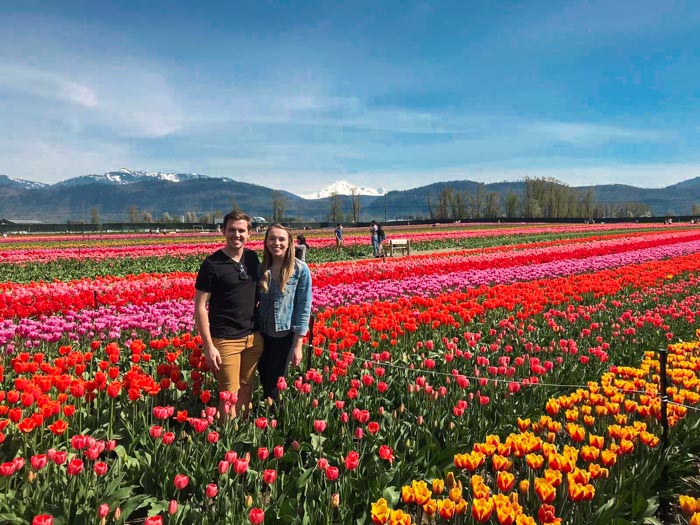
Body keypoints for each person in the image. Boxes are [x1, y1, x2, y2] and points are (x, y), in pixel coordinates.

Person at [194, 210, 263, 419]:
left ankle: (241, 433)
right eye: (232, 230)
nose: (237, 235)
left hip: (253, 337)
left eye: (242, 230)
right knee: (228, 394)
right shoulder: (211, 265)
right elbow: (200, 307)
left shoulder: (252, 258)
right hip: (225, 339)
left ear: (250, 233)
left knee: (246, 388)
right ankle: (228, 441)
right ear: (223, 231)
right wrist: (208, 345)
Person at [257, 224, 312, 401]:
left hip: (285, 336)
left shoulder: (300, 270)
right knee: (264, 380)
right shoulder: (260, 269)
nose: (276, 243)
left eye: (281, 239)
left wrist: (298, 345)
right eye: (272, 239)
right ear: (266, 242)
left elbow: (303, 308)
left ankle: (273, 423)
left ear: (289, 243)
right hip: (260, 334)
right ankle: (266, 419)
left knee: (275, 386)